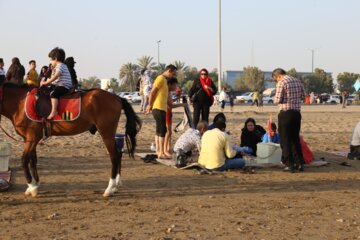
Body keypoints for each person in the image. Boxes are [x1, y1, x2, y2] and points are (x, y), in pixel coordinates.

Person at [273, 68, 305, 172]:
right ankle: (299, 163)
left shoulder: (281, 82)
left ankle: (289, 164)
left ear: (277, 76)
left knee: (285, 140)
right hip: (296, 113)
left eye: (275, 79)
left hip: (285, 113)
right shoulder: (297, 81)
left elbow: (277, 100)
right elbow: (303, 97)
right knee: (295, 139)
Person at [146, 64, 177, 159]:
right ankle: (161, 152)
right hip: (158, 108)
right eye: (173, 74)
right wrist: (149, 105)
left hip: (162, 108)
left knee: (159, 130)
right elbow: (152, 92)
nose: (173, 76)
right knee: (162, 130)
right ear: (169, 71)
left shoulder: (164, 80)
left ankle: (159, 151)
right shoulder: (160, 78)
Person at [40, 47, 73, 119]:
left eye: (51, 60)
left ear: (55, 58)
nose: (50, 62)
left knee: (53, 94)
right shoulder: (57, 67)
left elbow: (55, 77)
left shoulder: (60, 66)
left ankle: (54, 111)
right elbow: (53, 79)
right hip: (58, 85)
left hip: (63, 86)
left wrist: (45, 83)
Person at [164, 77, 187, 156]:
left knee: (169, 132)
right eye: (174, 85)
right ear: (170, 84)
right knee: (168, 132)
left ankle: (168, 148)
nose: (175, 87)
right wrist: (182, 104)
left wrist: (178, 98)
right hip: (167, 113)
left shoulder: (169, 92)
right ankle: (165, 149)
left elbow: (170, 102)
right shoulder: (166, 92)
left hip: (169, 113)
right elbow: (170, 105)